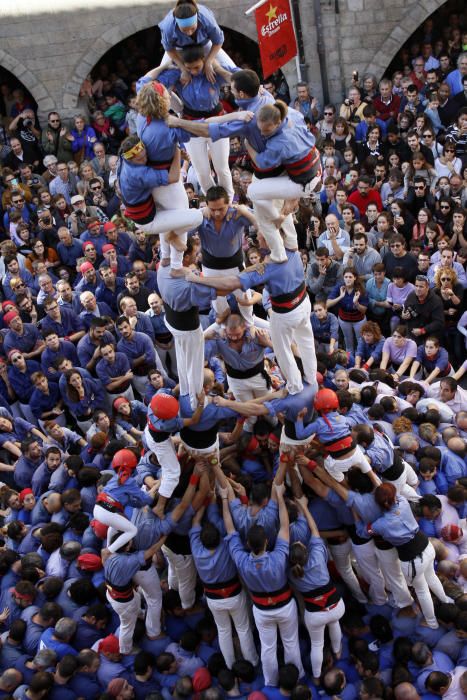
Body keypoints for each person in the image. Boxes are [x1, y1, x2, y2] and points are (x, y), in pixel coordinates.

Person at [221, 481, 304, 687]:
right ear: (267, 541)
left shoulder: (241, 559)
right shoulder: (277, 557)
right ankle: (298, 677)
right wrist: (280, 497)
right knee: (290, 642)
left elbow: (230, 527)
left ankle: (270, 683)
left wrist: (224, 499)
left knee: (268, 647)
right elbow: (284, 526)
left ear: (248, 544)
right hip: (285, 606)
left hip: (261, 609)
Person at [368, 483, 453, 628]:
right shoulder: (403, 503)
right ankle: (446, 600)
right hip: (427, 546)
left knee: (422, 590)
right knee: (431, 577)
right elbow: (397, 495)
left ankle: (432, 622)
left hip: (412, 560)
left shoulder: (380, 524)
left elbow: (366, 531)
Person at [117, 135, 203, 273]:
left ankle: (166, 256)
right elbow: (174, 177)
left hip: (146, 208)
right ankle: (174, 249)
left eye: (145, 155)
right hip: (147, 220)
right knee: (198, 217)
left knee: (168, 215)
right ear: (130, 159)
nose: (145, 160)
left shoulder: (122, 156)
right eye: (140, 159)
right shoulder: (138, 173)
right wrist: (176, 151)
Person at [288, 495, 345, 683]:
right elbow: (314, 530)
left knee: (317, 644)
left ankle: (317, 677)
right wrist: (304, 507)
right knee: (335, 623)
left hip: (314, 614)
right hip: (336, 606)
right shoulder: (318, 556)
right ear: (305, 551)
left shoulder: (291, 574)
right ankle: (337, 653)